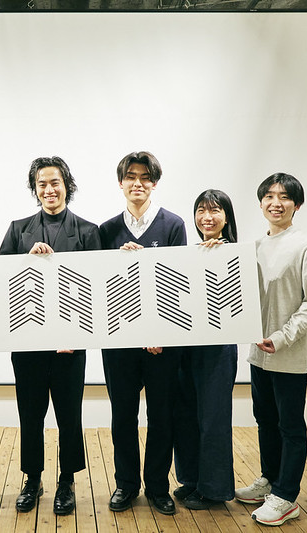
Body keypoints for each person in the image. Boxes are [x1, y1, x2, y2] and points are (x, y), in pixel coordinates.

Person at [0, 156, 102, 515]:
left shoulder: (88, 231)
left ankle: (67, 481)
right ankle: (32, 479)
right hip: (28, 345)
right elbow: (1, 281)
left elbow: (97, 290)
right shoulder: (18, 230)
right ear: (35, 189)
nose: (49, 189)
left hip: (69, 346)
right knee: (30, 415)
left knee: (69, 416)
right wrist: (26, 261)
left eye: (55, 182)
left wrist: (77, 336)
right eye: (41, 183)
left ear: (66, 185)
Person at [234, 173, 307, 527]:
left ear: (296, 205)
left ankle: (286, 497)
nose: (276, 202)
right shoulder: (255, 247)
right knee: (265, 420)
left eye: (285, 197)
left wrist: (283, 337)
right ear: (261, 203)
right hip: (259, 353)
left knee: (290, 427)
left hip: (288, 353)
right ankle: (269, 480)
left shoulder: (306, 246)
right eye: (269, 196)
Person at [98, 151, 185, 516]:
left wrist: (160, 331)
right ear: (121, 183)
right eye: (131, 177)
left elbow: (179, 284)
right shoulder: (105, 231)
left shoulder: (173, 225)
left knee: (162, 415)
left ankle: (158, 487)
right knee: (123, 416)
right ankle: (126, 484)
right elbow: (100, 287)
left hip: (160, 344)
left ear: (154, 183)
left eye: (145, 177)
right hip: (119, 342)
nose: (138, 183)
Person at [172, 189, 238, 510]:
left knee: (213, 418)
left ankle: (214, 490)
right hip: (187, 346)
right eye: (201, 210)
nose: (207, 217)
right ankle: (192, 480)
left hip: (217, 350)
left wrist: (220, 256)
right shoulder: (190, 252)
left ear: (226, 217)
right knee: (185, 415)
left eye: (214, 211)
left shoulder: (234, 253)